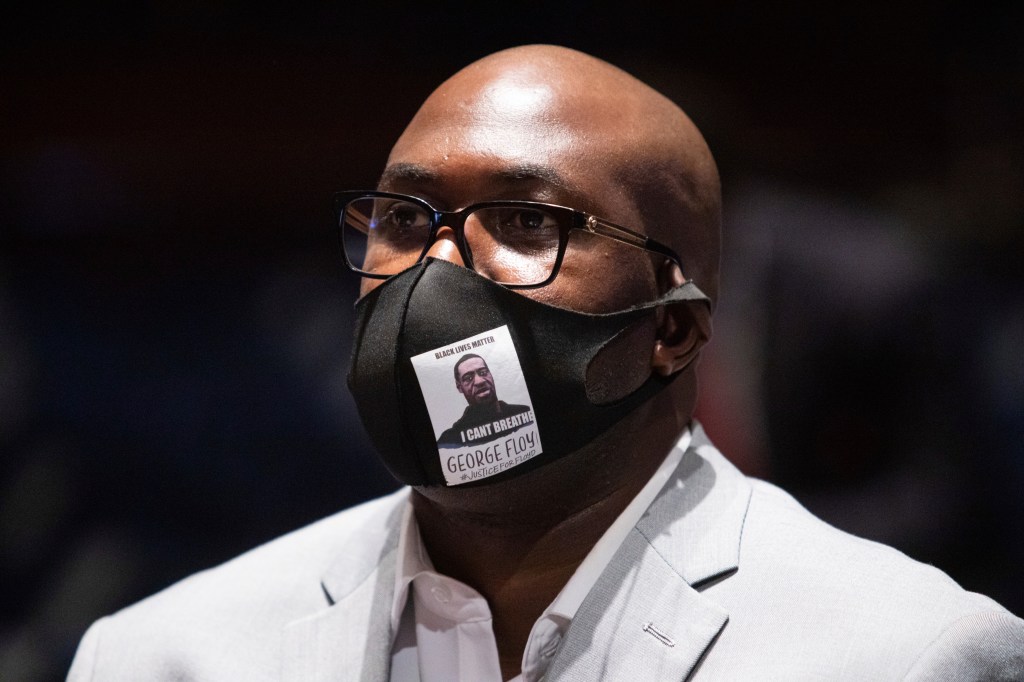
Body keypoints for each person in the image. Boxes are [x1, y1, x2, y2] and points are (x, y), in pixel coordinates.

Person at [68, 45, 1024, 681]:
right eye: (405, 219)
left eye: (526, 222)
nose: (437, 271)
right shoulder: (160, 658)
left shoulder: (909, 657)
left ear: (675, 330)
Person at [436, 353, 532, 447]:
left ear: (491, 375)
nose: (480, 381)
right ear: (459, 387)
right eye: (468, 378)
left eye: (483, 373)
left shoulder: (524, 413)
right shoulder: (450, 439)